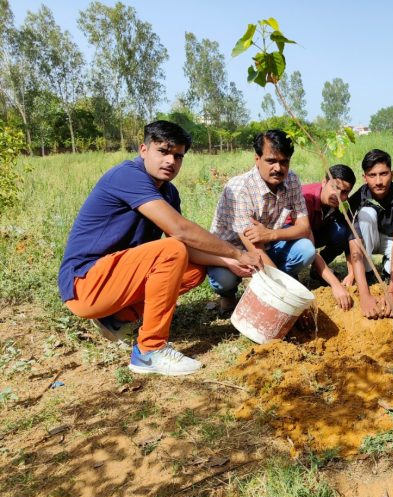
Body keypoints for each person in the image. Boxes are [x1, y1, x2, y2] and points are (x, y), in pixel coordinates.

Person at [58, 121, 261, 376]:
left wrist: (226, 262)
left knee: (195, 268)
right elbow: (181, 232)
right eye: (162, 151)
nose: (170, 161)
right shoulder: (127, 176)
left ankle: (117, 319)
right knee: (173, 249)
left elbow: (186, 247)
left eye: (178, 155)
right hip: (85, 284)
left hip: (115, 278)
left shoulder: (168, 192)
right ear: (144, 150)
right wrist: (237, 253)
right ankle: (149, 352)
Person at [208, 129, 315, 312]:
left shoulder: (293, 180)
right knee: (222, 280)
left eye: (284, 162)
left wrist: (271, 234)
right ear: (257, 159)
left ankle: (278, 277)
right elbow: (254, 248)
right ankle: (229, 295)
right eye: (271, 161)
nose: (278, 168)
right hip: (233, 250)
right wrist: (285, 296)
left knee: (306, 249)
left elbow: (304, 227)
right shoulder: (240, 188)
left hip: (268, 242)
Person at [345, 149, 393, 319]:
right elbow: (354, 243)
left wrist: (392, 291)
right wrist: (364, 295)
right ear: (364, 177)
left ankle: (386, 268)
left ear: (392, 174)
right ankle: (367, 272)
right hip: (368, 239)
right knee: (366, 214)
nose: (378, 181)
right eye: (372, 175)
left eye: (383, 174)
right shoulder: (357, 198)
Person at [300, 164, 357, 310]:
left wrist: (352, 273)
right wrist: (336, 285)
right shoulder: (306, 198)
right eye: (335, 187)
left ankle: (318, 271)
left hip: (315, 232)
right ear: (324, 182)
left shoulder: (339, 203)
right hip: (295, 238)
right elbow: (309, 245)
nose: (338, 195)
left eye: (344, 192)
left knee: (342, 232)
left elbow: (349, 238)